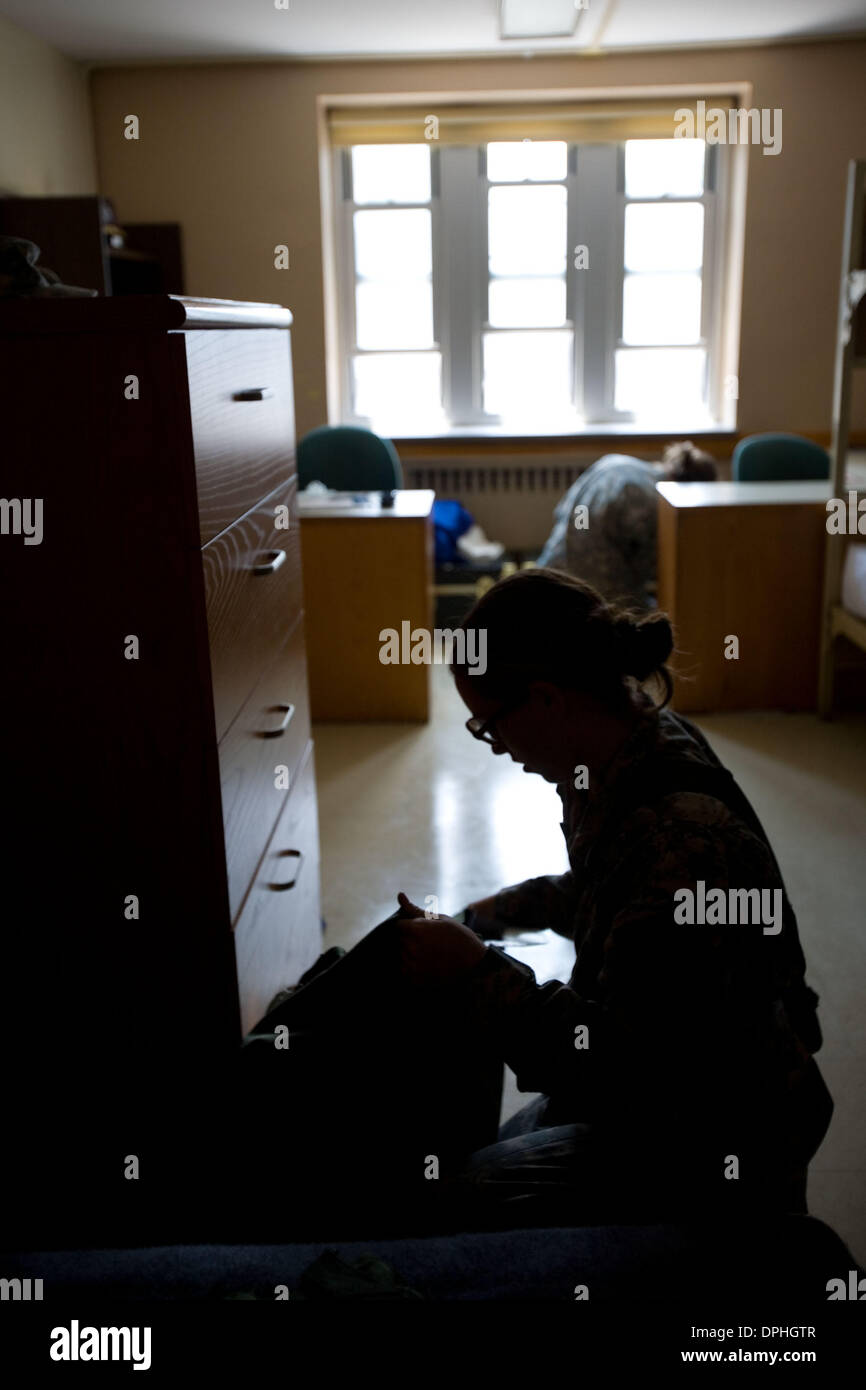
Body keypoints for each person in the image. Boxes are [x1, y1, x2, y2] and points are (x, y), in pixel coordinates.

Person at [205, 569, 831, 1243]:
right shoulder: (632, 745)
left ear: (546, 700)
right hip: (668, 1082)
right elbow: (606, 891)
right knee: (467, 1156)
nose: (493, 746)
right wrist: (493, 913)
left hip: (714, 1134)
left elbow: (620, 1070)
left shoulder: (685, 843)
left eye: (488, 725)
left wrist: (479, 972)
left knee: (444, 1212)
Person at [537, 442, 718, 609]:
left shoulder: (613, 463)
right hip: (595, 599)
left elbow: (560, 512)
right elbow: (660, 571)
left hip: (547, 578)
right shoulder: (655, 502)